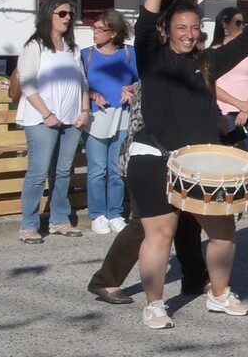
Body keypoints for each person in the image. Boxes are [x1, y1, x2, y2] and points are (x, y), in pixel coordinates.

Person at [130, 0, 248, 329]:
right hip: (154, 156)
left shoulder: (208, 60)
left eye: (194, 28)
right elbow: (144, 25)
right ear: (167, 30)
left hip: (201, 161)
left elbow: (247, 41)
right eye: (181, 27)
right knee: (159, 233)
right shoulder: (151, 57)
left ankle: (219, 293)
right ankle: (155, 304)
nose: (188, 34)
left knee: (223, 233)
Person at [85, 82, 208, 306]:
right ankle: (106, 280)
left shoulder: (184, 75)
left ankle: (195, 278)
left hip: (177, 159)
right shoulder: (156, 80)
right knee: (143, 223)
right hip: (146, 159)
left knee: (188, 219)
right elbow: (156, 123)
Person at [15, 0, 87, 242]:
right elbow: (27, 84)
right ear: (49, 15)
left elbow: (83, 83)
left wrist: (84, 111)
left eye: (71, 14)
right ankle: (29, 225)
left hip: (71, 119)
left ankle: (59, 220)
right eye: (63, 13)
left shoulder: (72, 49)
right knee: (38, 171)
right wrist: (46, 114)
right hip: (41, 119)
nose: (68, 18)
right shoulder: (34, 46)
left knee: (63, 171)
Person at [80, 10, 137, 234]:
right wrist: (93, 94)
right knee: (97, 169)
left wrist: (129, 89)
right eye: (93, 28)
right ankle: (97, 214)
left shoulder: (129, 53)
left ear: (113, 33)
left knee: (116, 168)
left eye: (99, 29)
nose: (94, 33)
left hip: (122, 115)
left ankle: (115, 212)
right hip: (96, 117)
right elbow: (82, 85)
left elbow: (140, 80)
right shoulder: (86, 55)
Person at [211, 10, 248, 154]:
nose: (242, 26)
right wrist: (239, 104)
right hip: (225, 111)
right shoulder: (212, 53)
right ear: (225, 24)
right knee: (229, 157)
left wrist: (246, 108)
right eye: (238, 22)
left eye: (244, 23)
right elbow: (211, 86)